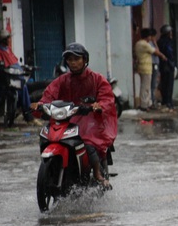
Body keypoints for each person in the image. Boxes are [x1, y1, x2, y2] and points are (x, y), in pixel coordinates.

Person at [31, 43, 117, 188]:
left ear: (84, 60)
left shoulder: (97, 79)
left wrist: (98, 106)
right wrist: (40, 105)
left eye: (76, 59)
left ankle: (98, 174)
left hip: (91, 121)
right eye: (70, 59)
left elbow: (107, 99)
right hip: (67, 118)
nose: (73, 62)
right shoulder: (62, 80)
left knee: (88, 144)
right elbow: (49, 94)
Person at [0, 29, 33, 123]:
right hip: (5, 78)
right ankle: (28, 115)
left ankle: (27, 113)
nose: (10, 40)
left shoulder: (8, 49)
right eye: (8, 38)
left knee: (23, 87)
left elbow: (15, 62)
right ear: (4, 40)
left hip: (15, 76)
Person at [135, 28, 166, 111]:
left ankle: (146, 103)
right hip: (145, 68)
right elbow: (155, 51)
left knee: (145, 86)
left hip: (143, 67)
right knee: (146, 87)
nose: (150, 38)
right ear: (147, 36)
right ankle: (144, 105)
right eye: (150, 36)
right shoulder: (144, 44)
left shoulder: (139, 43)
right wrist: (162, 56)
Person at [157, 24, 176, 111]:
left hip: (164, 66)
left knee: (165, 84)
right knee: (168, 85)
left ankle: (166, 101)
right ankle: (168, 102)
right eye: (170, 32)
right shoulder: (166, 42)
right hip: (167, 66)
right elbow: (169, 54)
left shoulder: (160, 41)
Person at [149, 28, 160, 108]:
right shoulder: (149, 44)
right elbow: (157, 52)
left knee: (154, 83)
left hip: (155, 63)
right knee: (152, 84)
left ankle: (153, 100)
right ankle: (152, 100)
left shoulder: (152, 43)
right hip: (152, 64)